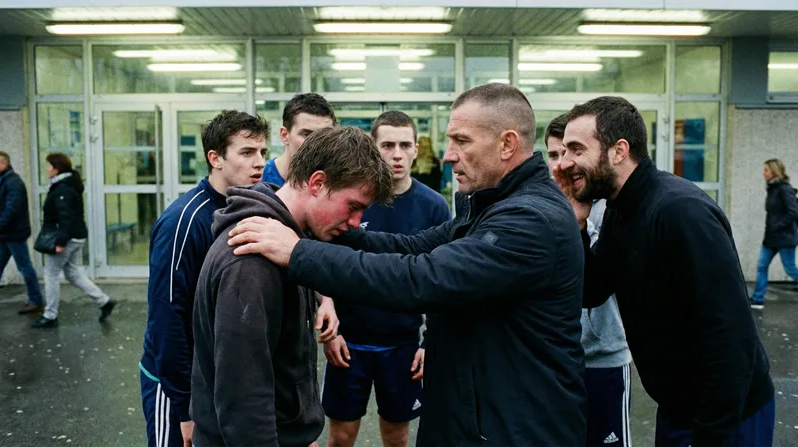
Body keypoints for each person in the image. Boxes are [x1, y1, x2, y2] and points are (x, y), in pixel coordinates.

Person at [226, 83, 588, 446]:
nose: (448, 155)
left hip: (516, 430)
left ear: (507, 144)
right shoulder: (490, 207)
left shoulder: (529, 220)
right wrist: (327, 225)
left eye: (462, 141)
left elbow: (424, 277)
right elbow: (407, 248)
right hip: (482, 418)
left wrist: (297, 253)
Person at [552, 96, 775, 447]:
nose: (563, 164)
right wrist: (577, 225)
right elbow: (592, 289)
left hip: (726, 418)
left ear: (618, 151)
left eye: (576, 150)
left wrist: (711, 435)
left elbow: (732, 338)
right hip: (678, 409)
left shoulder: (681, 212)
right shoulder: (619, 209)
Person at [138, 110, 337, 447]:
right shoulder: (183, 222)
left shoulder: (260, 207)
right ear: (215, 158)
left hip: (226, 381)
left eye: (261, 151)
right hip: (178, 385)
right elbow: (167, 319)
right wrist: (185, 407)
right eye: (246, 153)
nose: (259, 162)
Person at [190, 126, 393, 447]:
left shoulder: (288, 241)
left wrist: (297, 432)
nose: (356, 222)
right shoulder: (252, 263)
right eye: (353, 206)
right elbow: (244, 397)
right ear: (317, 183)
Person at [323, 111, 450, 447]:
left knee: (397, 437)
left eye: (405, 145)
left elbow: (445, 280)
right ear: (373, 149)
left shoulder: (434, 206)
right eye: (388, 145)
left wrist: (429, 341)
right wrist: (329, 325)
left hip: (402, 343)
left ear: (416, 149)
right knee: (341, 436)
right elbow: (328, 262)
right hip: (348, 342)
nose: (396, 154)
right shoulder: (351, 199)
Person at [545, 114, 632, 447]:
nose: (562, 164)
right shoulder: (540, 209)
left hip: (602, 357)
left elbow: (599, 279)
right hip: (556, 361)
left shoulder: (605, 208)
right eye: (553, 155)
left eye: (569, 153)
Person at [31, 153, 115, 328]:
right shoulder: (66, 184)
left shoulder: (63, 189)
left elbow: (66, 218)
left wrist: (60, 242)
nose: (46, 169)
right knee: (73, 273)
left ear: (57, 168)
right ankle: (104, 301)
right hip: (76, 235)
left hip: (67, 237)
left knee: (51, 273)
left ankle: (50, 315)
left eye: (48, 166)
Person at [0, 150, 43, 314]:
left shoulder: (13, 182)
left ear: (4, 163)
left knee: (24, 267)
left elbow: (12, 210)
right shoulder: (3, 180)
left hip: (14, 234)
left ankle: (36, 300)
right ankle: (36, 299)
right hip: (5, 233)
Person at [749, 158, 798, 309]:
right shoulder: (772, 188)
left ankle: (757, 298)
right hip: (771, 238)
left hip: (785, 237)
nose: (764, 173)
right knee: (762, 266)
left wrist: (778, 225)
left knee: (790, 269)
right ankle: (757, 299)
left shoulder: (784, 189)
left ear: (774, 171)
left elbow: (793, 212)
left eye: (766, 170)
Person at [262, 92, 337, 187]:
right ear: (284, 135)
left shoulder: (335, 181)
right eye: (306, 135)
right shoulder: (259, 177)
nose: (316, 143)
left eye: (324, 135)